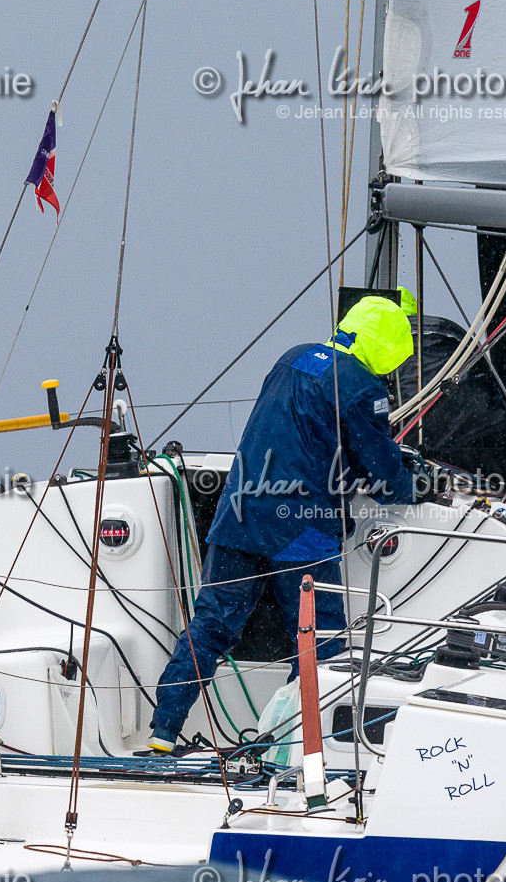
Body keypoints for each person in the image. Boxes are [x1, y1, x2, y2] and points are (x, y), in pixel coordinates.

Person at [148, 295, 425, 752]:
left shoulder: (291, 358)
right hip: (302, 529)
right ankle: (297, 750)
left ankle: (163, 729)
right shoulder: (362, 387)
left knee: (213, 625)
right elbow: (384, 476)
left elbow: (303, 435)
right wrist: (414, 484)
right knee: (318, 640)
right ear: (388, 345)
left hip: (238, 516)